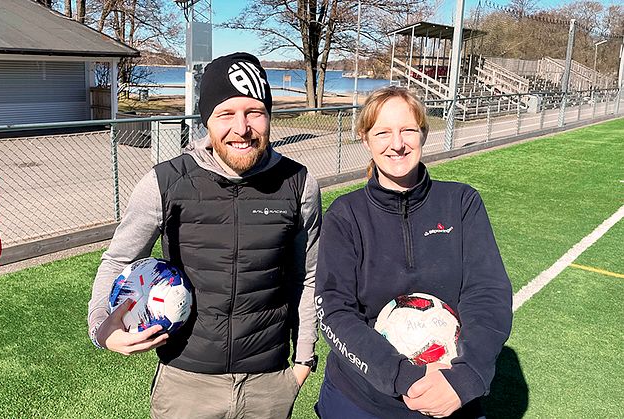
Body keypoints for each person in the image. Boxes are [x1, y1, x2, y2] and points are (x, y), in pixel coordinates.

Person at [87, 52, 321, 419]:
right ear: (205, 121)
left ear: (269, 117)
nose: (241, 128)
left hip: (269, 384)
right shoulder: (165, 182)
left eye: (254, 112)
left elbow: (308, 277)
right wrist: (102, 329)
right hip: (186, 382)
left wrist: (303, 360)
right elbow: (119, 260)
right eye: (226, 114)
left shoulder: (299, 183)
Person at [314, 86, 512, 418]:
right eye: (383, 133)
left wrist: (465, 377)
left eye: (407, 130)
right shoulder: (345, 215)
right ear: (366, 140)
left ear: (423, 132)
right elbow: (334, 311)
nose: (397, 144)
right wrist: (404, 376)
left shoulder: (461, 203)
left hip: (451, 393)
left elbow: (488, 293)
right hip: (361, 399)